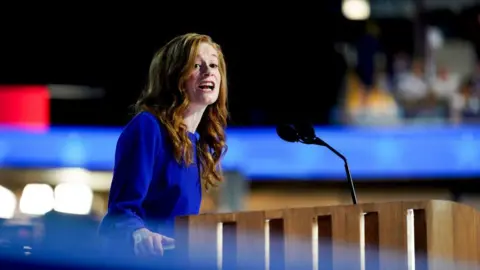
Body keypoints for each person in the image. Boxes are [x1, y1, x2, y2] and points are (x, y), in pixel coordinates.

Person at [98, 33, 229, 259]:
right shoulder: (147, 127)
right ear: (173, 75)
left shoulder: (198, 143)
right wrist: (139, 233)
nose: (208, 71)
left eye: (214, 64)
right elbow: (121, 212)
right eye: (197, 65)